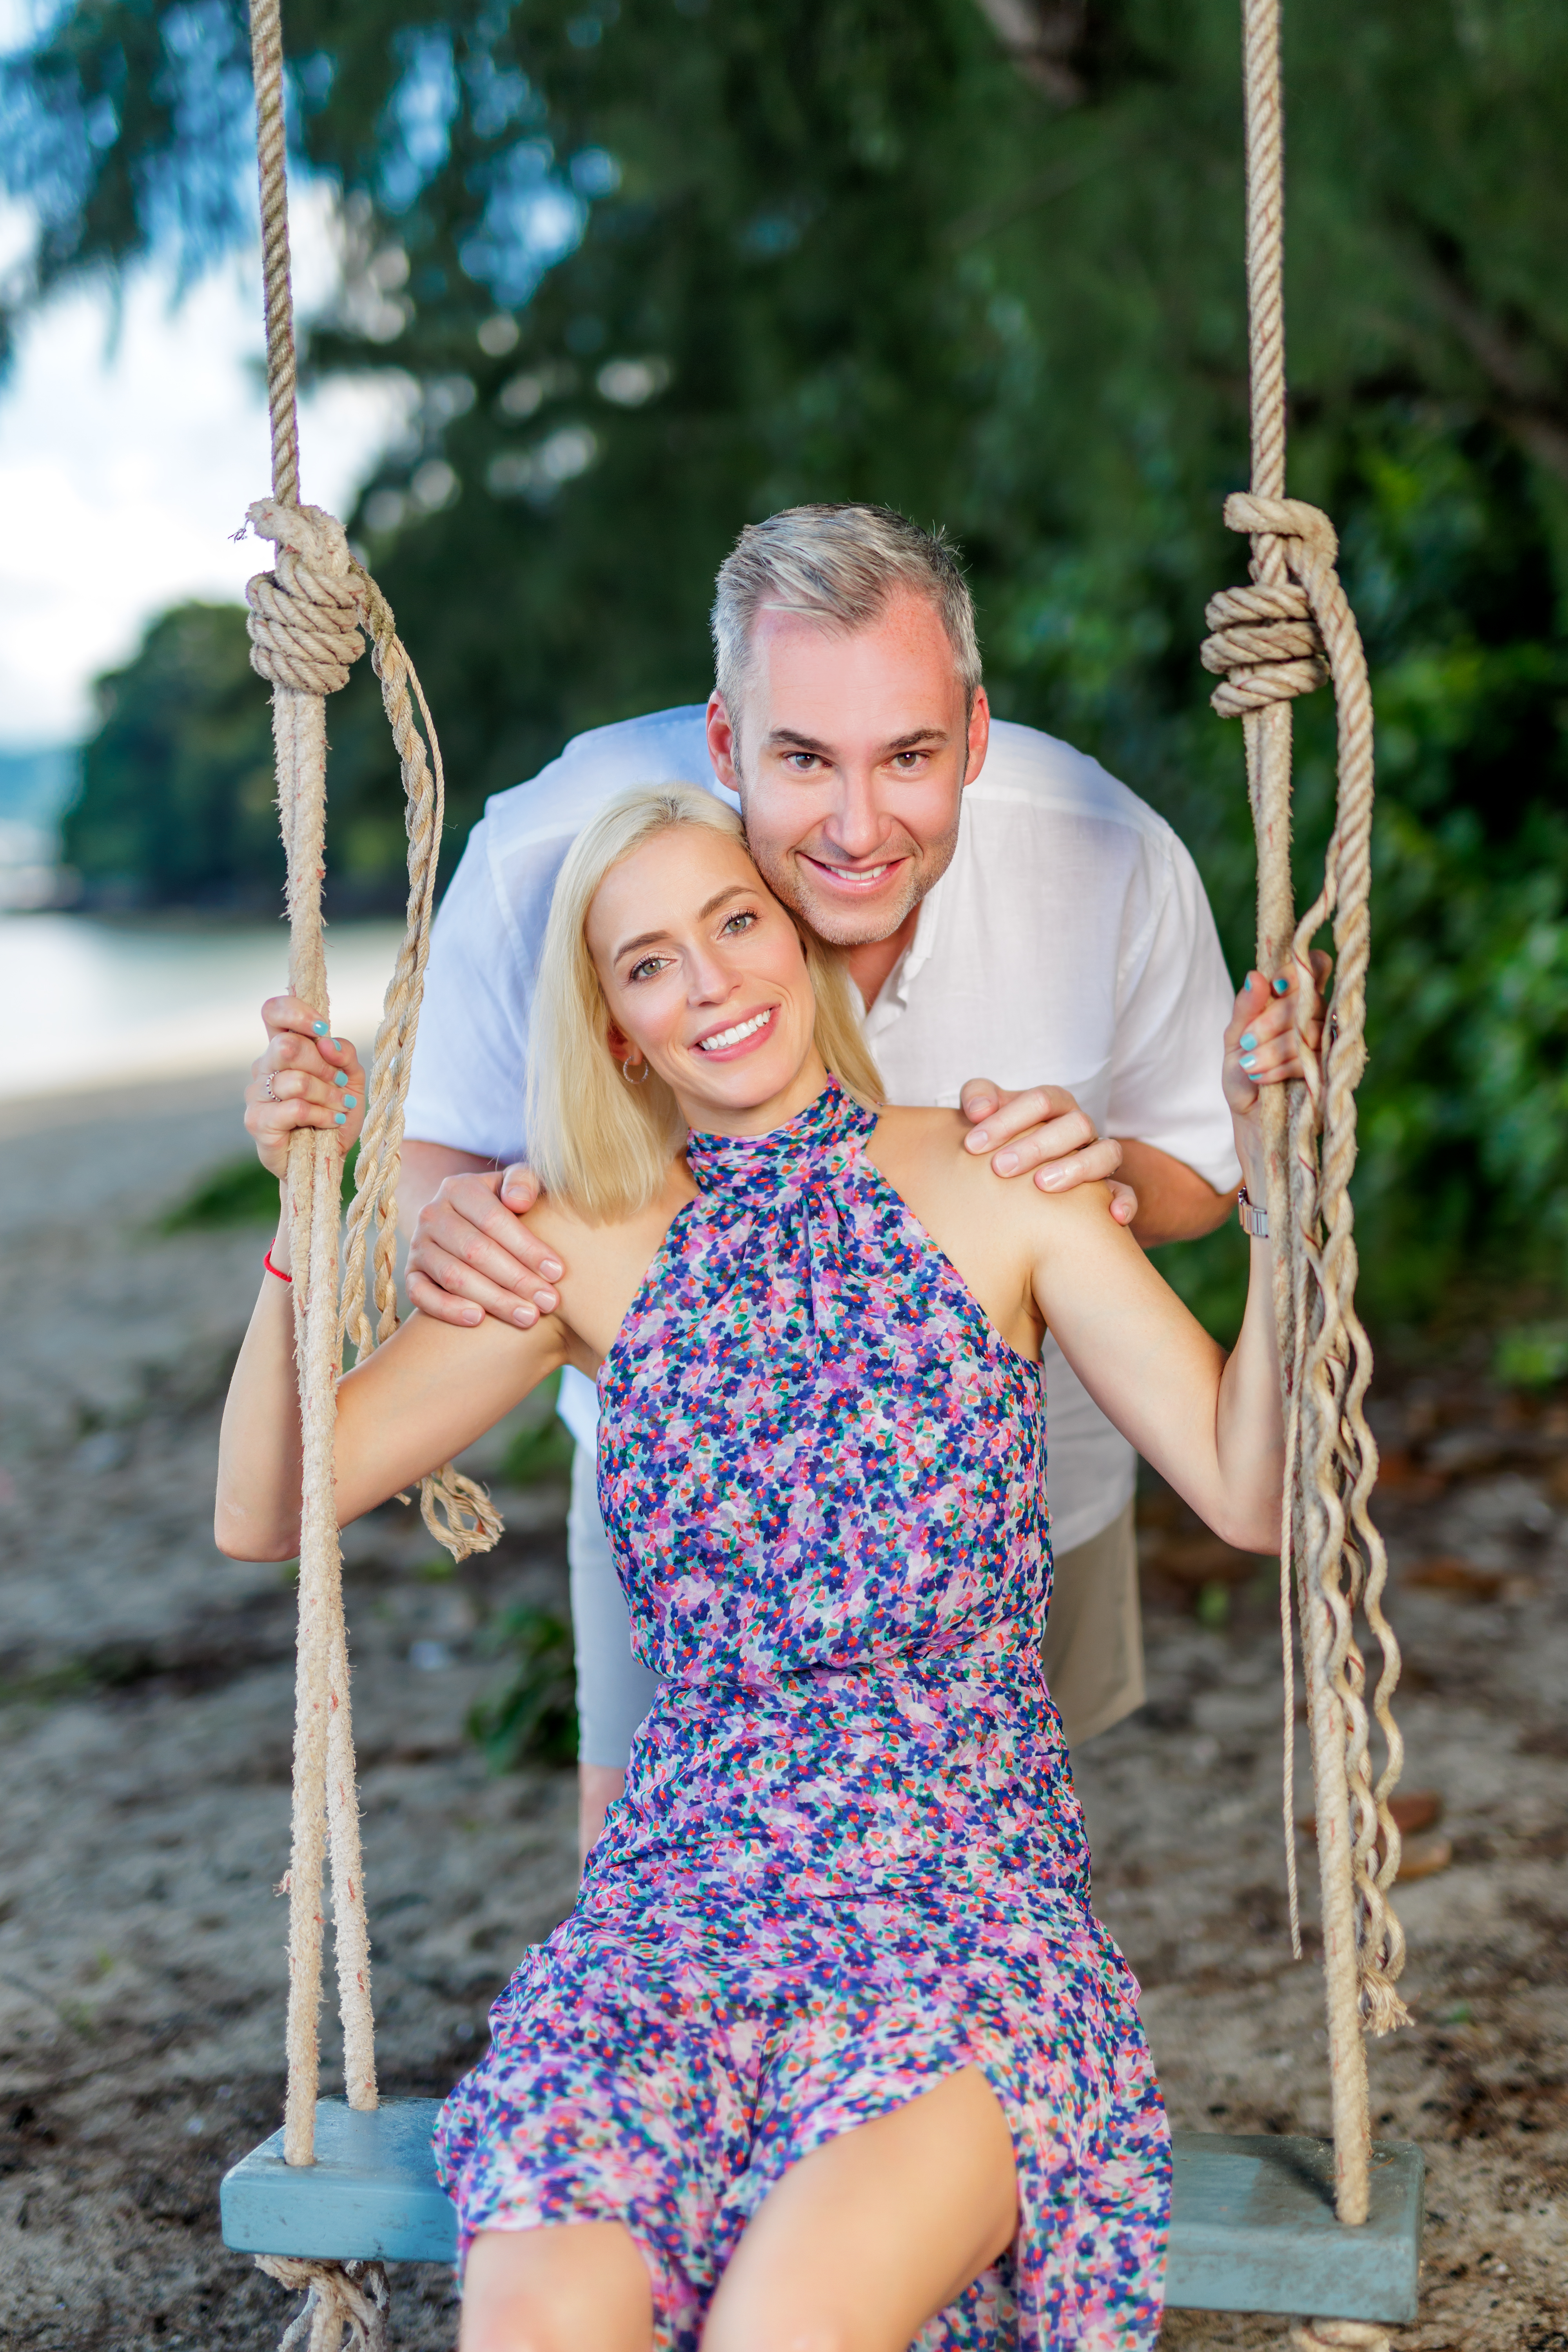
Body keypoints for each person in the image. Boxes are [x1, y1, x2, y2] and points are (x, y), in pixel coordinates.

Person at [217, 782, 1306, 2352]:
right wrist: (297, 1217)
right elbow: (268, 1507)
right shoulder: (577, 1241)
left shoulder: (1002, 1177)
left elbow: (1251, 1492)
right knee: (536, 2320)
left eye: (736, 923)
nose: (713, 980)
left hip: (954, 1909)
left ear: (803, 941)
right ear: (615, 1032)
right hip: (673, 1916)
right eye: (650, 963)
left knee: (785, 2330)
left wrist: (1279, 1197)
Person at [396, 505, 1244, 1856]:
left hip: (1018, 1495)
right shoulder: (552, 858)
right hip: (690, 1527)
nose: (859, 827)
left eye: (911, 755)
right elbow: (421, 1154)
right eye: (802, 759)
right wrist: (433, 1221)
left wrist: (1089, 1182)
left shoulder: (1107, 851)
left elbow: (1206, 1177)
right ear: (729, 742)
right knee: (653, 1891)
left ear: (974, 732)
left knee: (996, 1877)